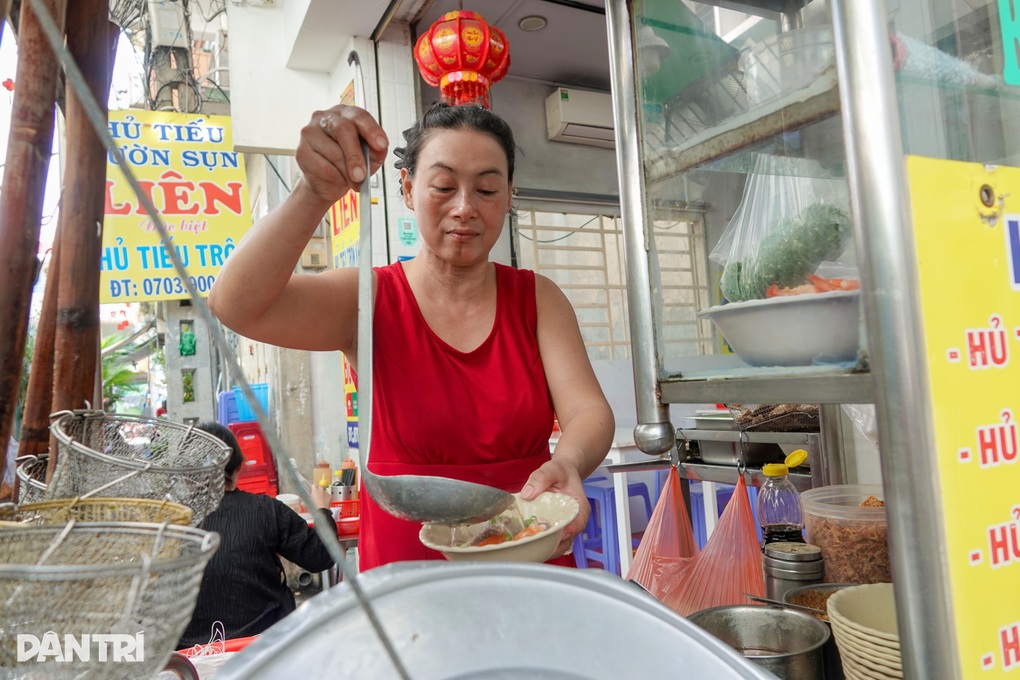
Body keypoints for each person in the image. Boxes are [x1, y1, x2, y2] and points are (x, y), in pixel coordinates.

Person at [208, 102, 615, 570]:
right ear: (407, 189)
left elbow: (587, 410)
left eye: (486, 189)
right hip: (408, 569)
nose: (465, 207)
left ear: (507, 197)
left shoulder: (539, 299)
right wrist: (314, 193)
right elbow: (234, 305)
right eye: (443, 186)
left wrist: (568, 462)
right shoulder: (368, 298)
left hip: (526, 547)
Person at [177, 422, 336, 649]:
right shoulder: (264, 510)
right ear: (240, 467)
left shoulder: (166, 522)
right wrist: (321, 509)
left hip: (189, 659)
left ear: (185, 476)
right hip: (265, 648)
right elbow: (321, 556)